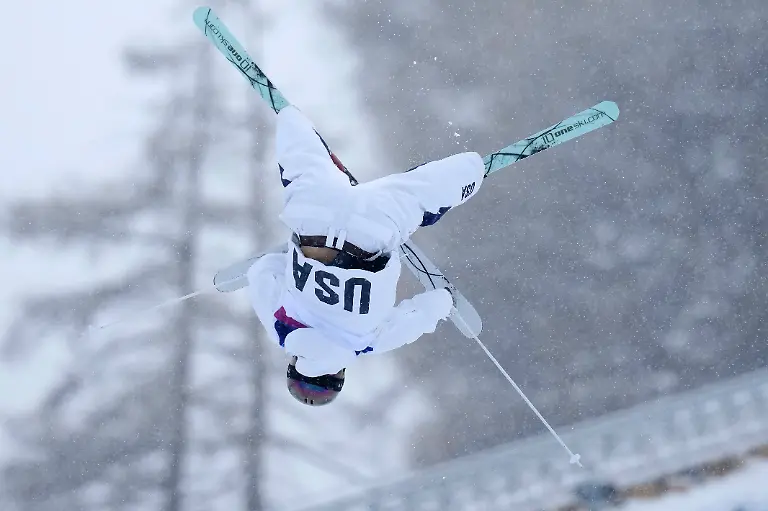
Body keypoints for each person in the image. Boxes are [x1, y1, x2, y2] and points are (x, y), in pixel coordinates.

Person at [247, 105, 484, 406]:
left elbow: (422, 313)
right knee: (299, 158)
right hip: (313, 214)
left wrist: (445, 302)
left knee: (429, 191)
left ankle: (472, 172)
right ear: (293, 365)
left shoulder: (367, 343)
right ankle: (294, 122)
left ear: (340, 375)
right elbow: (261, 273)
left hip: (373, 229)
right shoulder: (279, 327)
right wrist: (291, 259)